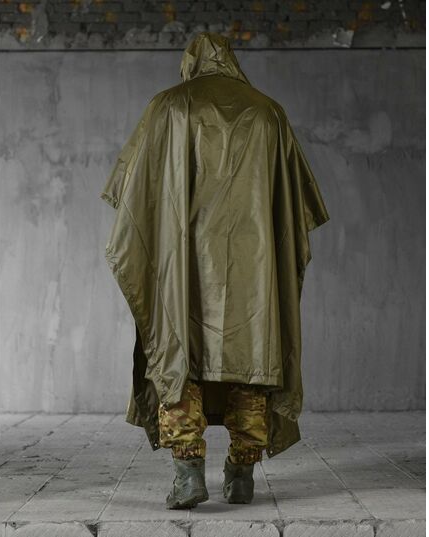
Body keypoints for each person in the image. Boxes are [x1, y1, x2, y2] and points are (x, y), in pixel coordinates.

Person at [100, 31, 330, 510]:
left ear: (190, 64)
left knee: (178, 353)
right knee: (253, 359)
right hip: (254, 275)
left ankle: (188, 476)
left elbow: (134, 197)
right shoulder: (268, 113)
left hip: (182, 269)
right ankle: (241, 475)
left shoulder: (168, 108)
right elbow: (295, 212)